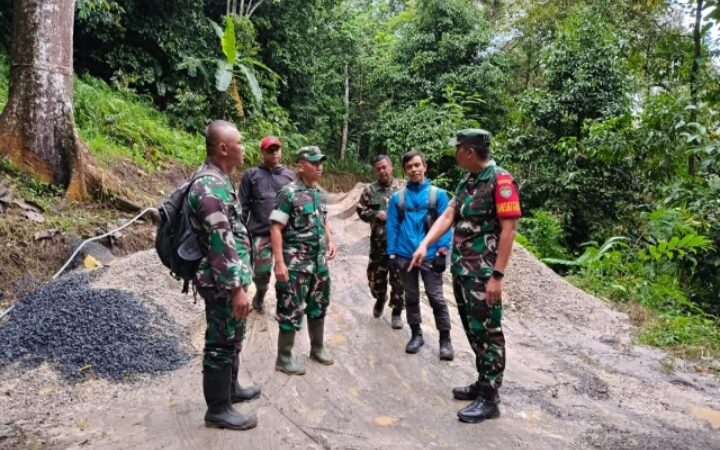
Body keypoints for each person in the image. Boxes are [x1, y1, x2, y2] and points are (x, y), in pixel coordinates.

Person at [409, 129, 522, 424]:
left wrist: (497, 275)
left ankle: (490, 398)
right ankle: (483, 383)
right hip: (462, 269)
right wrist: (425, 244)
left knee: (488, 333)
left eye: (457, 148)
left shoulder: (501, 181)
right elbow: (448, 216)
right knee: (473, 331)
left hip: (484, 273)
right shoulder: (467, 180)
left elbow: (509, 230)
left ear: (469, 152)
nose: (455, 153)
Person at [187, 120, 260, 430]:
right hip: (221, 284)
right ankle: (218, 409)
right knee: (220, 341)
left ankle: (230, 390)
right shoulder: (208, 187)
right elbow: (220, 242)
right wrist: (236, 290)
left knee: (233, 335)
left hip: (230, 281)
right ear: (223, 148)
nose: (244, 148)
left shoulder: (220, 181)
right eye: (239, 143)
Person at [269, 146, 337, 375]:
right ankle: (284, 358)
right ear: (300, 166)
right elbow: (276, 228)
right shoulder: (288, 193)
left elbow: (324, 220)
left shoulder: (319, 193)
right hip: (296, 265)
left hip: (318, 264)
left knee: (319, 306)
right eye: (314, 163)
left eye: (321, 163)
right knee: (290, 309)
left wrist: (330, 240)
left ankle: (317, 348)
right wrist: (279, 263)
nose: (319, 167)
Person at [386, 150, 454, 361]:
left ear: (425, 166)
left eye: (417, 165)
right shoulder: (398, 199)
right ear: (405, 171)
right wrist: (391, 254)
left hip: (431, 255)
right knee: (412, 297)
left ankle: (445, 340)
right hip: (405, 255)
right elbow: (393, 227)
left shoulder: (438, 195)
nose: (414, 169)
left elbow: (445, 225)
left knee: (436, 297)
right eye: (409, 167)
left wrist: (443, 251)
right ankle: (416, 335)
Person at [239, 135, 295, 312]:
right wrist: (240, 233)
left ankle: (283, 306)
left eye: (277, 149)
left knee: (286, 271)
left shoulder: (290, 176)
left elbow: (296, 205)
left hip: (285, 234)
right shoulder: (251, 175)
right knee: (261, 273)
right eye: (270, 150)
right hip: (260, 233)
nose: (274, 153)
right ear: (262, 152)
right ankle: (261, 293)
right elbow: (243, 205)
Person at [356, 155, 405, 329]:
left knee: (399, 280)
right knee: (375, 279)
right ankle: (380, 297)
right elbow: (361, 211)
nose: (382, 171)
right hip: (378, 244)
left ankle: (397, 311)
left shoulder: (403, 189)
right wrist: (375, 214)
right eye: (378, 169)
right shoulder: (370, 190)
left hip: (400, 246)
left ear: (391, 167)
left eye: (384, 167)